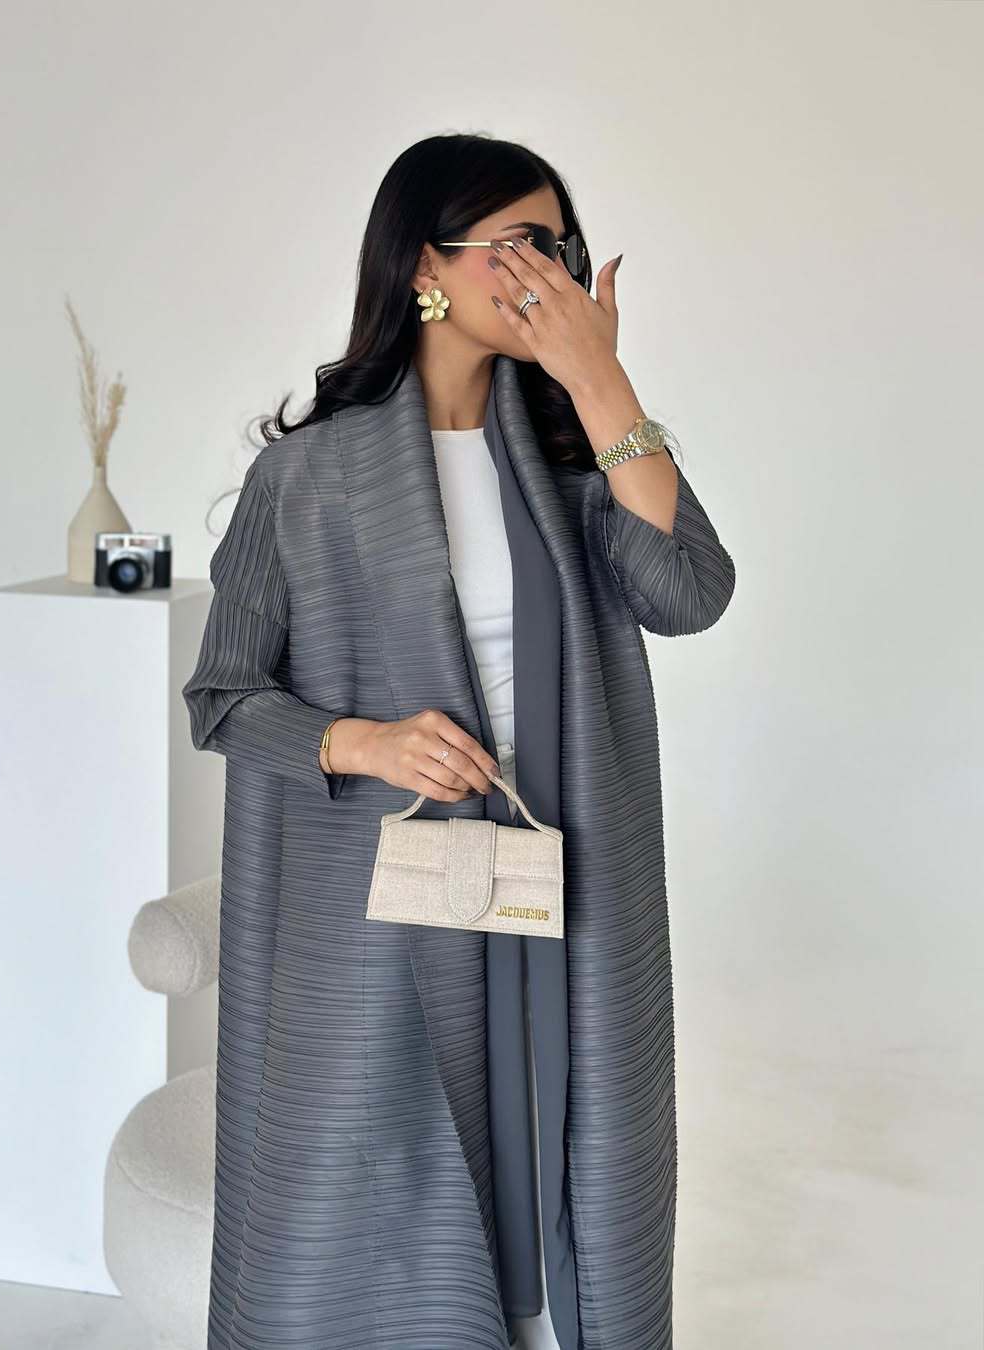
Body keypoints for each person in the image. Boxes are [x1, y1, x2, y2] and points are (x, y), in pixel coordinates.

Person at [183, 131, 736, 1350]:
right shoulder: (307, 480)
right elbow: (222, 697)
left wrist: (601, 382)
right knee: (395, 1184)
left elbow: (690, 593)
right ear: (426, 265)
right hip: (393, 894)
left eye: (562, 248)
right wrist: (363, 743)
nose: (549, 273)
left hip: (561, 876)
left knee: (569, 1157)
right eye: (518, 245)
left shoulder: (574, 466)